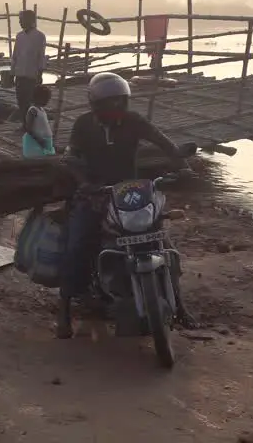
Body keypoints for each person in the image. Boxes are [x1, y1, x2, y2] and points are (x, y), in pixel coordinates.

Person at [56, 72, 195, 339]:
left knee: (162, 242)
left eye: (121, 102)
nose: (117, 108)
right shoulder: (84, 125)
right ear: (96, 105)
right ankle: (63, 311)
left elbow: (163, 142)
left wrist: (182, 165)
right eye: (111, 103)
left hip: (131, 193)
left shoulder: (133, 121)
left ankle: (180, 305)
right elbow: (70, 156)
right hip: (96, 194)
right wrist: (84, 183)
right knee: (78, 244)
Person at [12, 10, 49, 128]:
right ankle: (25, 124)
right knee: (21, 101)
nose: (20, 22)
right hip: (20, 74)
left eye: (21, 19)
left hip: (32, 75)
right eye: (19, 20)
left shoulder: (39, 36)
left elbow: (41, 56)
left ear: (29, 20)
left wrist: (40, 73)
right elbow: (15, 55)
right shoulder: (19, 36)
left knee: (31, 102)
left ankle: (33, 126)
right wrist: (12, 72)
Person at [21, 84, 55, 158]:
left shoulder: (41, 110)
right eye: (46, 99)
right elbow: (29, 128)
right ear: (39, 98)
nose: (47, 101)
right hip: (37, 143)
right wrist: (39, 140)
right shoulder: (33, 110)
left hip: (44, 142)